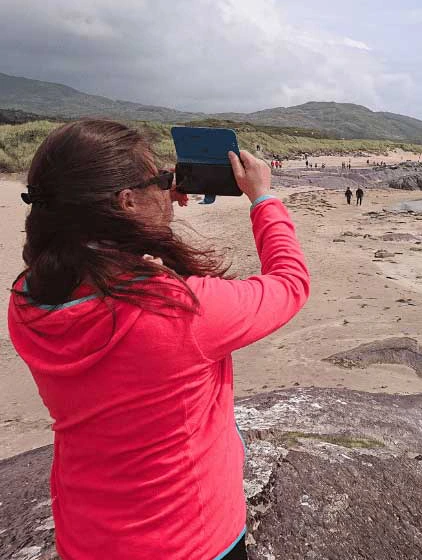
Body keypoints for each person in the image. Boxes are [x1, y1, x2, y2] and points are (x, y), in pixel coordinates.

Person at [8, 119, 310, 560]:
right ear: (127, 201)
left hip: (87, 537)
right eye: (161, 179)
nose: (170, 187)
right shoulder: (178, 311)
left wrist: (152, 215)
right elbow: (290, 283)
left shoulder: (28, 300)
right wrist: (262, 197)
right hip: (193, 539)